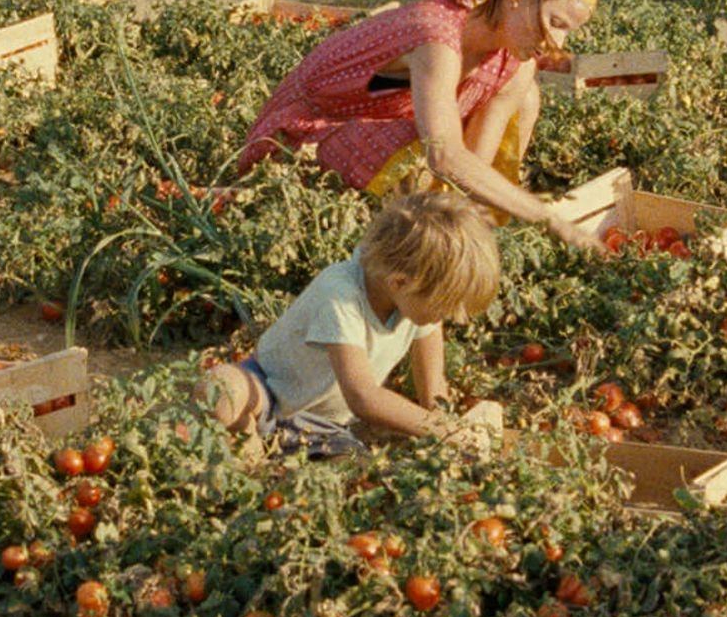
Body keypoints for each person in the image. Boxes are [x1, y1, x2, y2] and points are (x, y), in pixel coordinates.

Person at [239, 0, 602, 251]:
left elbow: (472, 169)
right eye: (555, 22)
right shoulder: (437, 35)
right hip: (300, 136)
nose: (556, 42)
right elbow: (445, 156)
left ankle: (436, 243)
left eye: (567, 31)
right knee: (421, 152)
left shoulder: (512, 61)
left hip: (383, 124)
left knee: (525, 97)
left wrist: (467, 233)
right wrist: (548, 217)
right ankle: (383, 246)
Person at [195, 192, 501, 457]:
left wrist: (451, 431)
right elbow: (363, 397)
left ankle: (269, 459)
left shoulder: (413, 302)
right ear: (400, 282)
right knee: (222, 388)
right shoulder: (341, 295)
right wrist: (447, 432)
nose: (456, 318)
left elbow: (433, 394)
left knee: (350, 465)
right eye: (447, 306)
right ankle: (247, 447)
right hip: (268, 395)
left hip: (323, 428)